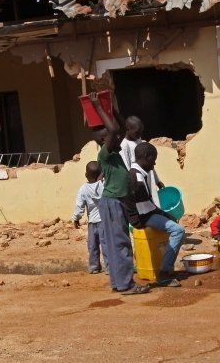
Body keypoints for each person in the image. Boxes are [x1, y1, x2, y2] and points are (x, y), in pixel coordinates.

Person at [89, 92, 150, 295]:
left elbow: (120, 127)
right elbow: (114, 128)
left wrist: (112, 108)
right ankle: (126, 284)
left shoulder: (115, 152)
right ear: (102, 140)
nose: (116, 136)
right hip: (113, 202)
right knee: (121, 243)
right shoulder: (104, 155)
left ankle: (119, 282)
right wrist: (98, 106)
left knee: (116, 244)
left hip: (117, 202)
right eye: (110, 136)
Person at [128, 141, 185, 287]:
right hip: (142, 217)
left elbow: (147, 205)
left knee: (171, 223)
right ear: (147, 157)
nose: (154, 164)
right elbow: (146, 209)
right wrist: (165, 215)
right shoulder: (137, 179)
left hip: (145, 213)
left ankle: (165, 267)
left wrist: (164, 214)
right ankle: (164, 273)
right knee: (178, 231)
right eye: (153, 160)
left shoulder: (138, 173)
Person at [72, 161, 108, 274]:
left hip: (92, 222)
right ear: (100, 174)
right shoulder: (103, 185)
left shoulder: (83, 189)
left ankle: (94, 267)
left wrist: (76, 218)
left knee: (92, 245)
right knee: (106, 244)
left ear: (86, 175)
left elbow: (79, 206)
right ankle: (110, 267)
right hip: (104, 220)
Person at [119, 115, 165, 206]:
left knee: (155, 205)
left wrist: (157, 181)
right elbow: (127, 169)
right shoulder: (124, 146)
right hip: (139, 185)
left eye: (141, 132)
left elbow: (150, 163)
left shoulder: (139, 140)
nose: (140, 135)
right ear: (128, 129)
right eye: (137, 132)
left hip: (149, 181)